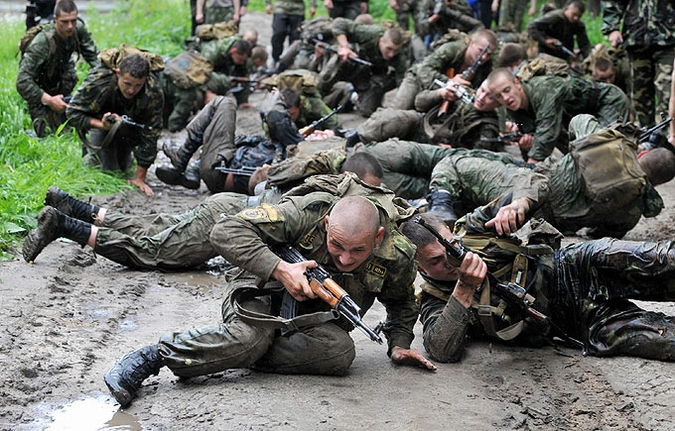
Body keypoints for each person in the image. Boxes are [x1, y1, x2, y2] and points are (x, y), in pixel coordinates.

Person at [103, 193, 436, 408]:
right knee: (249, 339)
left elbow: (403, 303)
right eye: (337, 246)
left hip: (313, 319)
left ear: (377, 237)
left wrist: (398, 343)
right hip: (261, 289)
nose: (346, 259)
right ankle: (154, 356)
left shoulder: (396, 253)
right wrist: (280, 269)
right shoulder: (305, 212)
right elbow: (225, 230)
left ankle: (227, 350)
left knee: (339, 354)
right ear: (326, 224)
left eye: (358, 250)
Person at [401, 208, 675, 364]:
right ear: (418, 267)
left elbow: (531, 183)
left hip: (575, 265)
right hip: (577, 322)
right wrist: (463, 288)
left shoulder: (475, 228)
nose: (450, 260)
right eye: (436, 261)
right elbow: (440, 350)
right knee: (663, 339)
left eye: (453, 247)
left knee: (662, 259)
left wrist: (518, 205)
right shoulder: (433, 298)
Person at [425, 114, 675, 235]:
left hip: (524, 189)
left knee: (454, 162)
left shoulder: (602, 145)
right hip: (546, 225)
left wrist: (613, 139)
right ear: (659, 183)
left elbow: (579, 119)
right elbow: (597, 233)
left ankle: (440, 209)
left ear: (642, 154)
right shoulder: (633, 211)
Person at [66, 52, 164, 197]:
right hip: (102, 129)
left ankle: (125, 157)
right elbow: (73, 112)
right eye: (127, 83)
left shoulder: (153, 90)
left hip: (132, 130)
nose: (131, 90)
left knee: (123, 169)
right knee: (104, 170)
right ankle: (92, 154)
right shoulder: (100, 81)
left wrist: (140, 178)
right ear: (118, 73)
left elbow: (152, 132)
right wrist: (101, 125)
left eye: (138, 85)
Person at [486, 67, 632, 162]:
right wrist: (528, 142)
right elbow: (531, 133)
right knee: (580, 159)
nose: (505, 98)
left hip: (605, 102)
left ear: (517, 83)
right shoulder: (513, 109)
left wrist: (529, 167)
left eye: (506, 90)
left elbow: (547, 133)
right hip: (573, 120)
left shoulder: (543, 89)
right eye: (498, 96)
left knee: (607, 153)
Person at [16, 0, 99, 137]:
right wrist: (49, 100)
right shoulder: (41, 43)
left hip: (61, 83)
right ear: (55, 20)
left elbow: (96, 60)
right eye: (64, 22)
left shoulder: (78, 29)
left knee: (74, 130)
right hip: (40, 92)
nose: (70, 26)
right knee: (49, 136)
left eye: (73, 20)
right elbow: (22, 81)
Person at [602, 0, 674, 129]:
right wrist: (612, 28)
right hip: (636, 37)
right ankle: (646, 132)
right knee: (639, 91)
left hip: (667, 39)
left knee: (666, 89)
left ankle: (666, 133)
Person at [318, 18, 407, 117]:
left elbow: (402, 82)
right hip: (350, 62)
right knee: (340, 59)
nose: (391, 54)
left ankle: (352, 99)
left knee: (368, 110)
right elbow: (339, 23)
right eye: (389, 49)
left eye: (395, 51)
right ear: (381, 41)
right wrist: (344, 47)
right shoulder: (371, 34)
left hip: (365, 75)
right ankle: (318, 95)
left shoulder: (399, 57)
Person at [391, 29, 497, 111]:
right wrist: (449, 82)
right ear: (472, 43)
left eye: (488, 54)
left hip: (443, 95)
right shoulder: (453, 49)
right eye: (481, 51)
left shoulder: (486, 66)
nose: (484, 57)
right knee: (398, 111)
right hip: (417, 79)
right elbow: (424, 70)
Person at [526, 0, 591, 62]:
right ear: (567, 8)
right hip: (545, 52)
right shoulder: (555, 17)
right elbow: (531, 27)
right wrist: (545, 41)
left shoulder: (579, 25)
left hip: (564, 55)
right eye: (574, 14)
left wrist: (587, 59)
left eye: (579, 16)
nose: (576, 18)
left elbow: (584, 45)